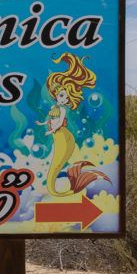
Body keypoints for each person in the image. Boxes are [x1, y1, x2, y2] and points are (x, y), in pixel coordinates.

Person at [38, 53, 109, 197]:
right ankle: (59, 188)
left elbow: (58, 122)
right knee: (54, 165)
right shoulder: (54, 108)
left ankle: (63, 188)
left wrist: (50, 130)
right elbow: (51, 120)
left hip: (63, 136)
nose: (59, 97)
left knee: (57, 164)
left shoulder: (63, 109)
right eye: (58, 94)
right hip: (58, 136)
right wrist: (44, 123)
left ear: (70, 96)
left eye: (63, 95)